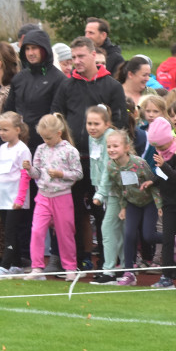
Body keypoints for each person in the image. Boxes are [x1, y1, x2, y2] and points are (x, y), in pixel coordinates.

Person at [51, 36, 128, 269]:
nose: (76, 61)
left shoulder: (112, 86)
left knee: (103, 213)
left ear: (94, 55)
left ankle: (108, 260)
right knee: (74, 213)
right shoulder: (66, 85)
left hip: (103, 163)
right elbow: (56, 117)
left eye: (81, 56)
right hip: (73, 162)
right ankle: (79, 258)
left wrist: (111, 153)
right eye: (73, 57)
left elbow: (120, 122)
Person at [22, 113, 82, 281]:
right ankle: (37, 267)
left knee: (65, 233)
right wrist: (29, 169)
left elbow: (78, 174)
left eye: (48, 137)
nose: (45, 141)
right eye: (43, 137)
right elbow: (37, 173)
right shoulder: (41, 149)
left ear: (59, 133)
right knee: (36, 230)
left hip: (62, 196)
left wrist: (60, 173)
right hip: (43, 196)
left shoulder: (70, 150)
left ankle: (70, 267)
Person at [106, 130, 163, 286]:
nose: (111, 149)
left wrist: (159, 205)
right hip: (132, 203)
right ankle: (129, 272)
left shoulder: (139, 163)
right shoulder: (111, 167)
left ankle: (172, 240)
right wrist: (123, 207)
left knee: (149, 236)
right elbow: (119, 188)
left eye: (115, 146)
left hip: (148, 202)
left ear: (126, 148)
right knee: (129, 234)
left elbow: (153, 184)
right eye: (109, 146)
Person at [3, 29, 67, 153]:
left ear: (44, 49)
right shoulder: (19, 78)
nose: (30, 53)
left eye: (34, 48)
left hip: (45, 146)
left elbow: (55, 116)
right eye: (27, 49)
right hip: (17, 144)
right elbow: (8, 112)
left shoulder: (59, 79)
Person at [148, 117, 176, 289]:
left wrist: (164, 165)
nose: (159, 150)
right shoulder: (161, 156)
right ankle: (167, 275)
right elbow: (163, 176)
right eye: (156, 147)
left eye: (161, 146)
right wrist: (152, 181)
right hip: (168, 203)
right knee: (167, 239)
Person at [0, 112, 32, 276]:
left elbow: (25, 175)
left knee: (11, 231)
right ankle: (16, 263)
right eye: (0, 129)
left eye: (6, 129)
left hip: (15, 198)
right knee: (6, 229)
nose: (2, 133)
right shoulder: (2, 148)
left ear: (17, 130)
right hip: (3, 196)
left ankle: (5, 265)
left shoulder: (22, 150)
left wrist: (20, 198)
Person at [84, 105, 122, 285]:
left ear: (107, 124)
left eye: (96, 123)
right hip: (103, 191)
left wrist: (100, 192)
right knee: (117, 231)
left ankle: (110, 270)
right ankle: (123, 269)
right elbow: (95, 166)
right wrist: (95, 187)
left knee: (107, 229)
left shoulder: (109, 138)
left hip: (115, 191)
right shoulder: (93, 139)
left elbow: (108, 168)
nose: (92, 127)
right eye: (89, 123)